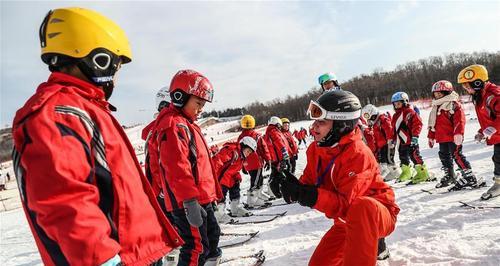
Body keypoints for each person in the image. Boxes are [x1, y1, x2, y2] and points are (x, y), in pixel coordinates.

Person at [11, 7, 181, 265]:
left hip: (135, 254)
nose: (115, 77)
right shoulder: (56, 113)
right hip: (115, 258)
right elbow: (65, 202)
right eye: (116, 65)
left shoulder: (86, 109)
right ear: (97, 59)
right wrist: (103, 259)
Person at [279, 90, 399, 265]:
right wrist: (291, 186)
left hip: (377, 215)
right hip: (345, 223)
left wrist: (311, 196)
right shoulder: (316, 149)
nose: (314, 128)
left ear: (340, 125)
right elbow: (309, 182)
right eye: (315, 122)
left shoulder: (358, 154)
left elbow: (346, 205)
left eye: (321, 122)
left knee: (361, 206)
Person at [155, 69, 222, 265]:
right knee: (196, 247)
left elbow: (201, 165)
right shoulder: (173, 125)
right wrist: (189, 201)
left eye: (203, 105)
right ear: (179, 97)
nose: (201, 109)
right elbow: (177, 167)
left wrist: (212, 196)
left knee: (211, 238)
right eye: (198, 103)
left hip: (202, 198)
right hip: (187, 201)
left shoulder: (188, 124)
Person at [427, 80, 484, 190]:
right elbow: (433, 124)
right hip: (442, 137)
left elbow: (460, 120)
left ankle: (469, 176)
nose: (437, 95)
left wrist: (458, 133)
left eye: (440, 93)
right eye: (435, 94)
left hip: (453, 137)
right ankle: (450, 175)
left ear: (447, 92)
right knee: (444, 155)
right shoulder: (436, 107)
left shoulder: (454, 104)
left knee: (457, 155)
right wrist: (431, 135)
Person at [457, 64, 500, 200]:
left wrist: (492, 128)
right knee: (498, 159)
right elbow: (489, 118)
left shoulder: (493, 95)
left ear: (477, 82)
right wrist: (482, 131)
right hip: (498, 135)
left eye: (468, 87)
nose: (467, 90)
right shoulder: (481, 95)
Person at [142, 87, 172, 220]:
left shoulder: (157, 127)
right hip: (164, 189)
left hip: (163, 188)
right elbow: (156, 162)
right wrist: (162, 188)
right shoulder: (163, 127)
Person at [212, 137, 257, 222]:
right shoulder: (231, 151)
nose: (248, 154)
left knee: (236, 189)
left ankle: (235, 209)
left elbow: (233, 168)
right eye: (247, 151)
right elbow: (216, 162)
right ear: (243, 146)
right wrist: (212, 176)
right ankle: (219, 213)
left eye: (249, 153)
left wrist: (237, 176)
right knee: (221, 194)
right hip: (221, 178)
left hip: (229, 177)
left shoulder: (240, 156)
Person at [391, 92, 430, 184]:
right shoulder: (395, 115)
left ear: (405, 102)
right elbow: (393, 129)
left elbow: (418, 124)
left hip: (410, 139)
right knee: (402, 157)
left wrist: (415, 136)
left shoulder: (409, 112)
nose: (397, 106)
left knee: (414, 156)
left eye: (399, 103)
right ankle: (406, 172)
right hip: (401, 141)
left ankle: (423, 173)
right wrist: (393, 139)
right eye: (395, 104)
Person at [238, 115, 273, 208]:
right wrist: (268, 160)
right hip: (257, 163)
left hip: (247, 163)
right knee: (256, 181)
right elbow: (264, 148)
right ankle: (252, 200)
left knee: (256, 179)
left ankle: (257, 196)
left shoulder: (240, 137)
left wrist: (242, 165)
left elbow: (239, 151)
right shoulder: (257, 136)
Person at [362, 104, 400, 181]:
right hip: (381, 145)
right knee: (383, 161)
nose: (369, 119)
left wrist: (390, 140)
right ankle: (390, 174)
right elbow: (375, 136)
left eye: (369, 116)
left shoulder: (382, 119)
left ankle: (397, 173)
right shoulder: (375, 123)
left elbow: (389, 129)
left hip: (388, 143)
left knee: (389, 160)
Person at [264, 116, 292, 198]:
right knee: (281, 175)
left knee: (276, 174)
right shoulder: (274, 132)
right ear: (277, 123)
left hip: (275, 158)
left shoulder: (269, 132)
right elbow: (280, 143)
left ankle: (276, 192)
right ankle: (281, 192)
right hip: (278, 158)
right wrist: (284, 155)